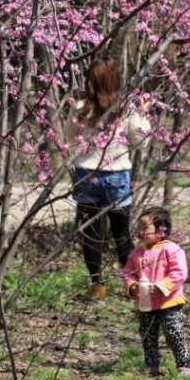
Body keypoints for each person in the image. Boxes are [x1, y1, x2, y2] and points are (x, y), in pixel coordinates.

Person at [65, 59, 150, 298]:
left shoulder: (80, 105)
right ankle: (134, 287)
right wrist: (143, 116)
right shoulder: (125, 108)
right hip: (116, 177)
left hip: (86, 174)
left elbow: (67, 135)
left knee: (91, 233)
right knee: (121, 234)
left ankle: (97, 285)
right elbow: (142, 142)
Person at [122, 207, 190, 376]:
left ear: (162, 230)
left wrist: (161, 286)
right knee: (148, 334)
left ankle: (184, 364)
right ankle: (151, 365)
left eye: (145, 228)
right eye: (139, 227)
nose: (140, 232)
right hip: (146, 304)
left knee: (173, 331)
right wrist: (133, 287)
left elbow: (179, 272)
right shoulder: (135, 254)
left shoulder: (171, 249)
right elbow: (127, 274)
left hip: (170, 302)